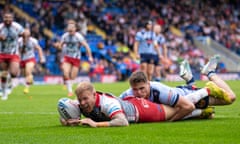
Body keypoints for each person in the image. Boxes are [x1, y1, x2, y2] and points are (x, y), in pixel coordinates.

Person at [58, 81, 214, 127]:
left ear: (94, 95)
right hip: (128, 102)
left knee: (175, 111)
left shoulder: (106, 103)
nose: (83, 103)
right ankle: (202, 113)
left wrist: (96, 124)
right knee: (176, 110)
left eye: (86, 99)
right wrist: (68, 120)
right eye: (80, 100)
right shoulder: (82, 103)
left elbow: (123, 122)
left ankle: (206, 91)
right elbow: (66, 106)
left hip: (141, 110)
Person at [54, 21, 93, 97]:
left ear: (75, 29)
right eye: (69, 28)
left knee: (73, 76)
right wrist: (57, 46)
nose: (70, 29)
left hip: (76, 58)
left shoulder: (79, 37)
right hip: (67, 57)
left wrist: (90, 56)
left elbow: (86, 46)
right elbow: (60, 46)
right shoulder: (65, 36)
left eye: (72, 28)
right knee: (65, 72)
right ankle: (70, 91)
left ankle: (69, 86)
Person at [0, 12, 24, 100]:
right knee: (4, 73)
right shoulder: (0, 27)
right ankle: (4, 93)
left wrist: (23, 45)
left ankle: (9, 84)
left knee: (14, 73)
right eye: (6, 17)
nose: (8, 19)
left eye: (9, 18)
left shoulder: (17, 26)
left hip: (14, 53)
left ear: (12, 19)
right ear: (3, 18)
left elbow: (24, 33)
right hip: (2, 53)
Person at [18, 28, 45, 94]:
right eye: (25, 35)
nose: (26, 36)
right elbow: (17, 50)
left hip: (30, 58)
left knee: (28, 72)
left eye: (28, 35)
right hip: (22, 59)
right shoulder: (19, 41)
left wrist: (41, 58)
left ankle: (26, 88)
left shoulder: (33, 41)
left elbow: (39, 49)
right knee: (24, 74)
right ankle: (31, 79)